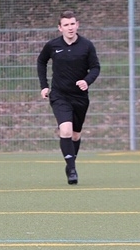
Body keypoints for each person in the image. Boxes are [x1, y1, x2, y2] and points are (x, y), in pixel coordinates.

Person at [37, 10, 101, 185]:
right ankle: (72, 169)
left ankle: (70, 162)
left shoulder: (86, 46)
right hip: (59, 95)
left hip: (80, 97)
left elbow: (95, 67)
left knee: (75, 135)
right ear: (60, 28)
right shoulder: (52, 46)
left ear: (77, 25)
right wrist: (44, 86)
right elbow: (41, 61)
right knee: (65, 130)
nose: (70, 27)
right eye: (66, 25)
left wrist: (87, 81)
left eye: (72, 24)